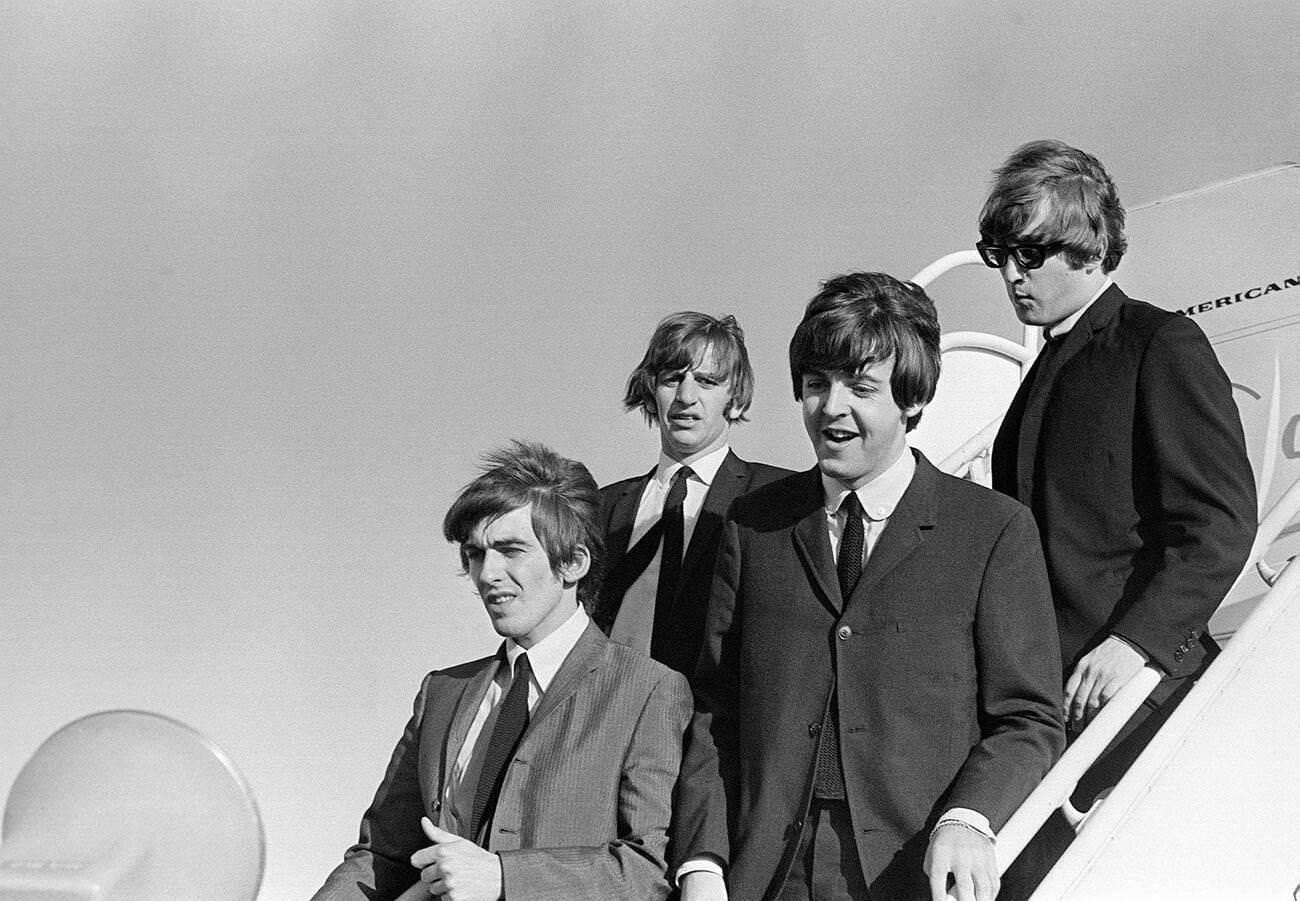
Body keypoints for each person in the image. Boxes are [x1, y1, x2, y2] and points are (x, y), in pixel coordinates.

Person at [673, 273, 1064, 901]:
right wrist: (702, 862)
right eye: (816, 385)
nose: (831, 408)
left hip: (912, 871)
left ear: (912, 398)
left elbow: (1029, 719)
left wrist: (970, 819)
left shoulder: (992, 530)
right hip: (767, 876)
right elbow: (714, 710)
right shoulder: (754, 526)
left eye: (860, 387)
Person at [981, 140, 1258, 888]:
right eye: (997, 251)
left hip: (1145, 707)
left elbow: (1220, 522)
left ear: (1093, 242)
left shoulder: (1159, 342)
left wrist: (1135, 644)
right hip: (1055, 713)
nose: (1011, 273)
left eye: (1031, 252)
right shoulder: (1038, 373)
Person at [311, 441, 692, 901]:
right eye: (475, 554)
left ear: (573, 562)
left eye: (510, 550)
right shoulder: (442, 693)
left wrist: (503, 877)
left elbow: (646, 869)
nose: (487, 573)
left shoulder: (648, 690)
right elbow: (382, 857)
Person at [596, 312, 789, 676]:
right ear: (652, 392)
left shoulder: (775, 500)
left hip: (714, 722)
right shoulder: (602, 507)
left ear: (736, 398)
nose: (686, 396)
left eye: (706, 381)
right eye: (672, 379)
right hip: (605, 715)